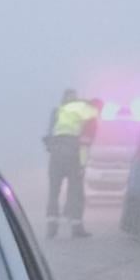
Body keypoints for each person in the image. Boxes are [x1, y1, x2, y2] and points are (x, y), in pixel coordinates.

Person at [45, 92, 100, 239]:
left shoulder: (59, 112)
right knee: (76, 192)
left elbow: (49, 137)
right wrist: (82, 165)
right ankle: (76, 227)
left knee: (53, 192)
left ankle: (51, 228)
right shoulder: (86, 114)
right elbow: (84, 144)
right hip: (73, 155)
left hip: (56, 154)